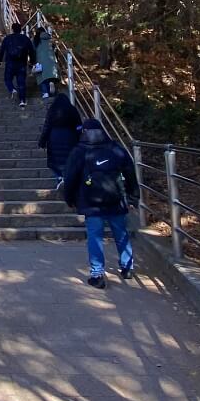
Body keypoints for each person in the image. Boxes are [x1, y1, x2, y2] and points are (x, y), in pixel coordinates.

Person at [63, 118, 140, 288]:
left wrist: (69, 198)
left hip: (91, 203)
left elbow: (70, 178)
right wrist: (133, 196)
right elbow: (130, 172)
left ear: (84, 133)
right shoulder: (115, 148)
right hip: (116, 199)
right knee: (121, 234)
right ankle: (127, 267)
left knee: (95, 237)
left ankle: (97, 274)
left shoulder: (79, 151)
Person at [38, 93, 80, 189]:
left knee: (55, 162)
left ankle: (60, 178)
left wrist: (42, 142)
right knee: (69, 161)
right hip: (70, 137)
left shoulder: (52, 110)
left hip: (54, 138)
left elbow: (47, 127)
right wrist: (78, 138)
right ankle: (66, 180)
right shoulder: (72, 109)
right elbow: (79, 126)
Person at [0, 22, 36, 109]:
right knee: (21, 82)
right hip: (22, 63)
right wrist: (33, 61)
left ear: (12, 29)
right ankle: (22, 100)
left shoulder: (7, 38)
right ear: (20, 29)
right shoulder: (25, 39)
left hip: (10, 62)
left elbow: (2, 50)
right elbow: (31, 51)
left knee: (7, 79)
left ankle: (12, 89)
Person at [33, 27, 58, 98]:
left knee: (41, 77)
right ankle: (51, 82)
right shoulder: (50, 39)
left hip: (40, 60)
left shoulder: (36, 40)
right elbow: (55, 50)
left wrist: (32, 61)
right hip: (51, 60)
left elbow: (33, 51)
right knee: (50, 75)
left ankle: (45, 92)